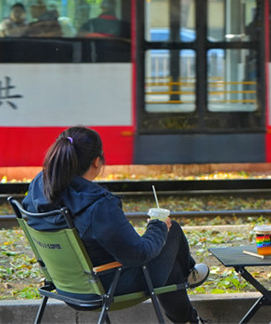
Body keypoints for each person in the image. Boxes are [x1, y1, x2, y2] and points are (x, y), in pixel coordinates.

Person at [22, 127, 209, 323]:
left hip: (65, 283)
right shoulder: (98, 205)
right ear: (97, 161)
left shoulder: (39, 185)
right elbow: (138, 254)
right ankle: (189, 276)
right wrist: (158, 226)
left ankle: (190, 316)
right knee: (172, 232)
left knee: (167, 259)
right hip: (109, 284)